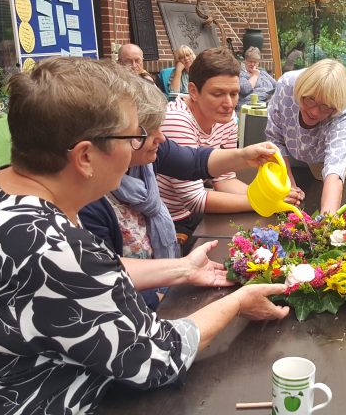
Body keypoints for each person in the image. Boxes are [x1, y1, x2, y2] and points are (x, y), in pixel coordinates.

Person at [0, 57, 289, 413]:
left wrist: (182, 269)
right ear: (85, 157)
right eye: (133, 136)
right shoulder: (60, 250)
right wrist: (238, 301)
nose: (141, 146)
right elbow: (156, 357)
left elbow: (78, 281)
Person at [79, 78, 281, 309]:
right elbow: (104, 276)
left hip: (162, 276)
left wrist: (245, 156)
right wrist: (163, 297)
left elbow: (193, 161)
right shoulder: (90, 198)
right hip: (138, 300)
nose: (162, 137)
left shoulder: (141, 158)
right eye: (144, 131)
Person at [157, 47, 254, 240]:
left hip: (194, 215)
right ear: (193, 91)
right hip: (167, 219)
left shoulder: (225, 118)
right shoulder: (177, 119)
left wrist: (269, 196)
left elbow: (224, 179)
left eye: (234, 94)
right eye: (218, 93)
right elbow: (196, 200)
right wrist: (260, 202)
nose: (228, 103)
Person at [265, 58, 346, 214]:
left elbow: (335, 167)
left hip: (339, 132)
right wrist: (289, 186)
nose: (314, 112)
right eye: (310, 99)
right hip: (298, 138)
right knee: (296, 187)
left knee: (337, 188)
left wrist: (327, 222)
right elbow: (276, 139)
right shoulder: (287, 85)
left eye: (325, 107)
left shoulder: (343, 110)